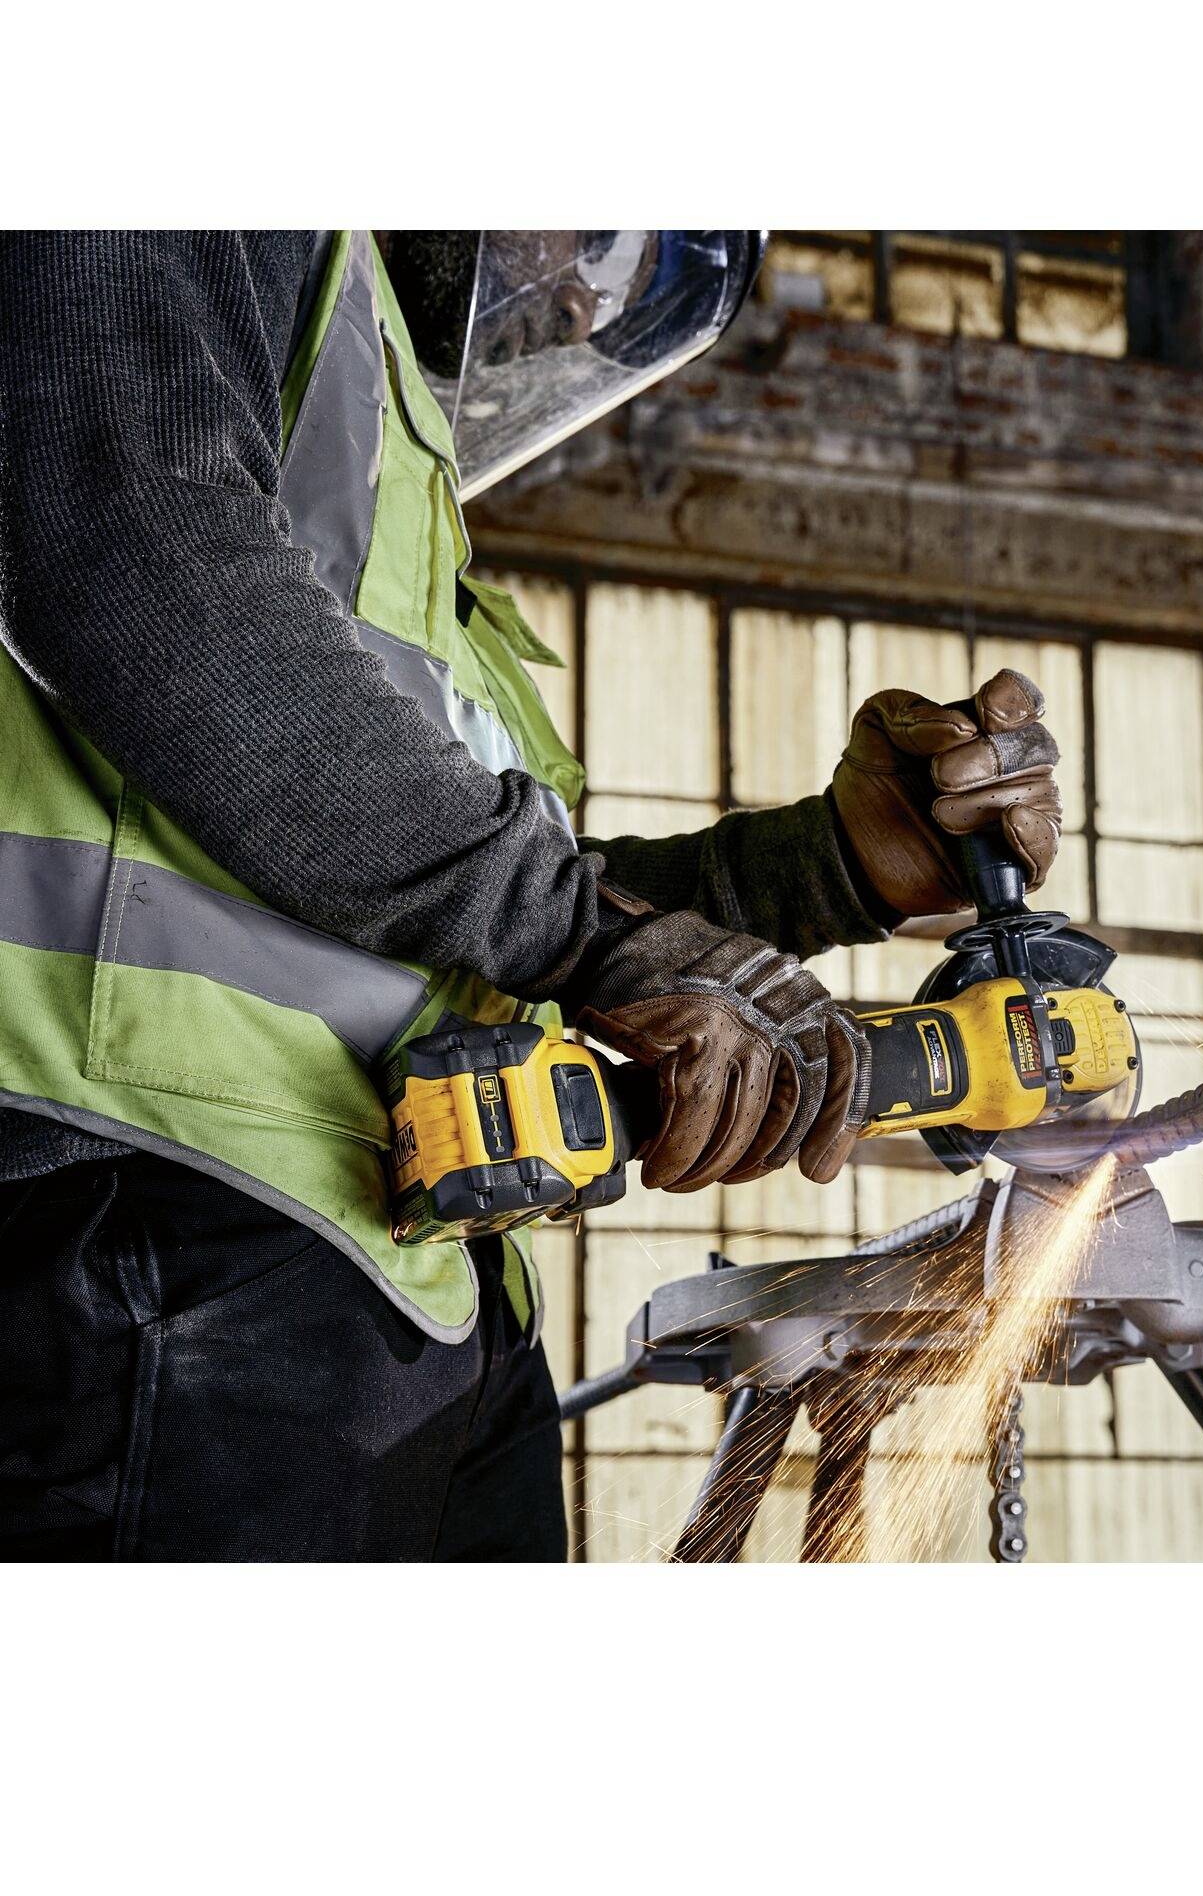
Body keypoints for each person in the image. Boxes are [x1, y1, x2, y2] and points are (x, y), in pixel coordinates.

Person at [0, 230, 1063, 1561]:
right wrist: (588, 938)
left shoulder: (383, 448)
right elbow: (133, 546)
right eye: (584, 241)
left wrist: (831, 868)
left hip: (415, 1270)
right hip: (155, 1221)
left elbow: (480, 915)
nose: (568, 293)